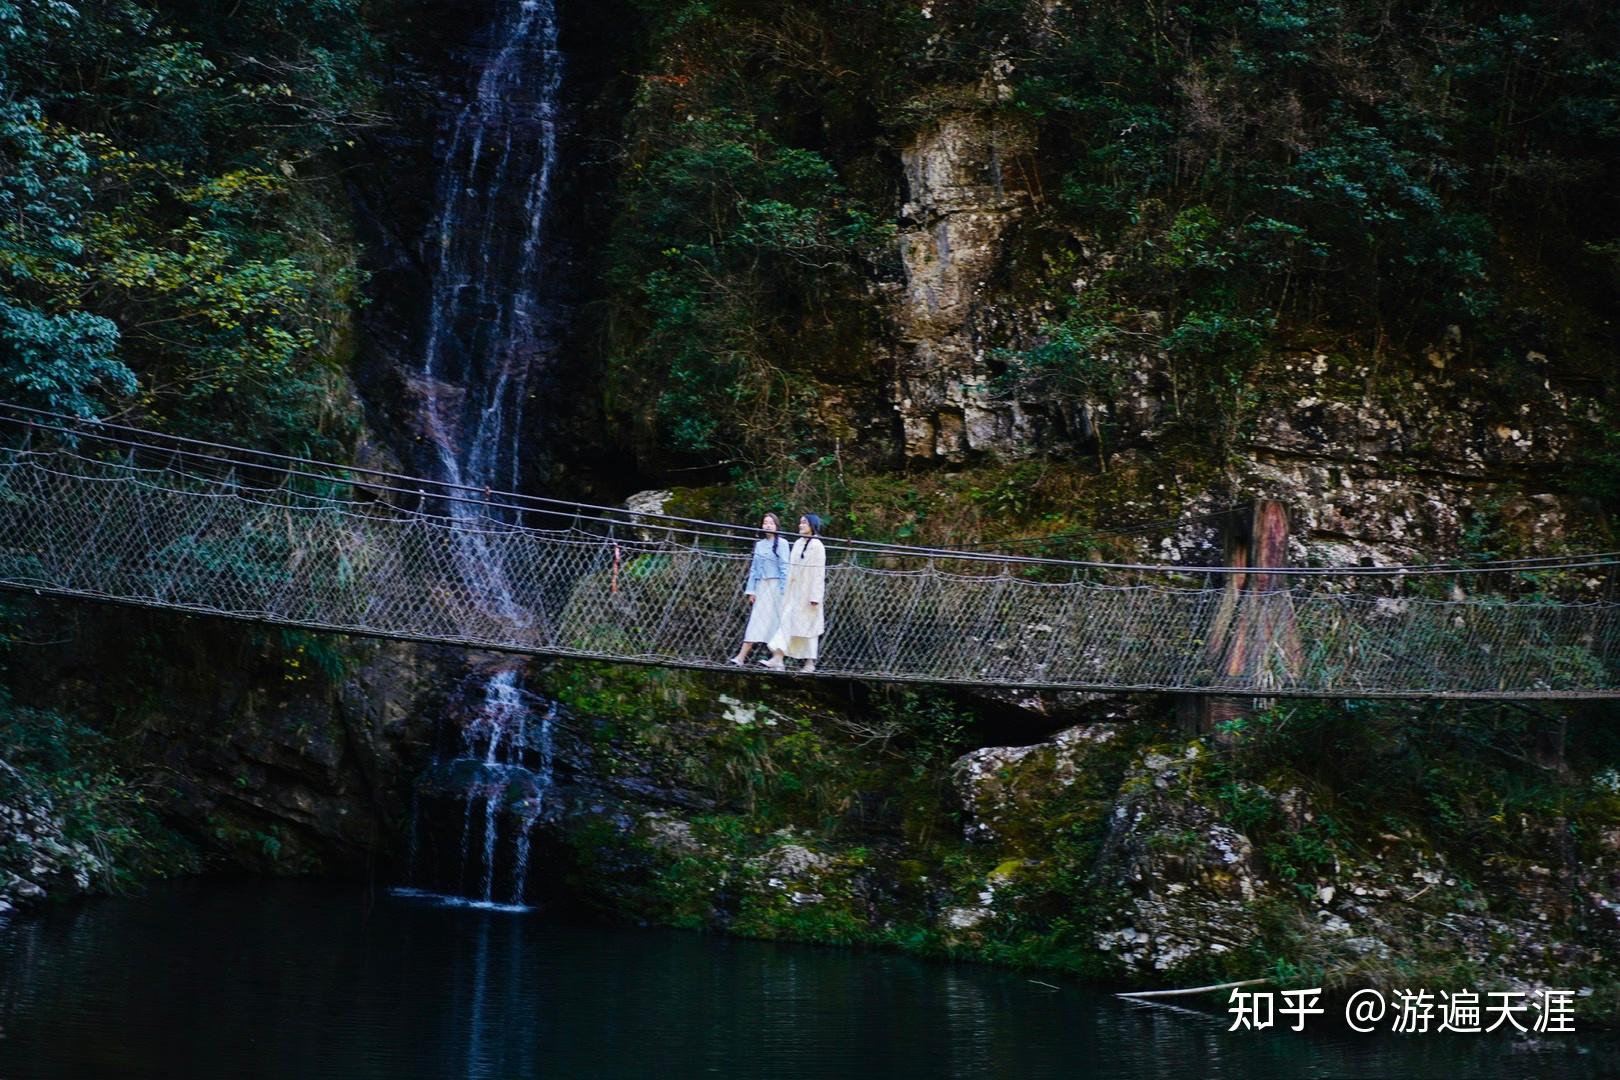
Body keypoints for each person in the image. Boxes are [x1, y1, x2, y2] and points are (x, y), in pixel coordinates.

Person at [762, 513, 826, 673]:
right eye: (800, 522)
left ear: (812, 525)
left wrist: (815, 596)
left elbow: (819, 573)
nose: (800, 525)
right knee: (786, 623)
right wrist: (787, 591)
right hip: (795, 593)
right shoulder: (797, 543)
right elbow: (791, 569)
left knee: (809, 630)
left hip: (809, 595)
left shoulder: (818, 546)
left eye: (804, 522)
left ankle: (809, 663)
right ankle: (778, 658)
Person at [730, 513, 787, 666]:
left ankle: (778, 659)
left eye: (771, 523)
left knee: (776, 622)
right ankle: (741, 657)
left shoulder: (782, 543)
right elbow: (754, 569)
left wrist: (784, 591)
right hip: (762, 586)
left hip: (776, 586)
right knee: (756, 620)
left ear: (776, 526)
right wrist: (752, 591)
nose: (768, 525)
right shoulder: (759, 544)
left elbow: (785, 568)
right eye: (765, 522)